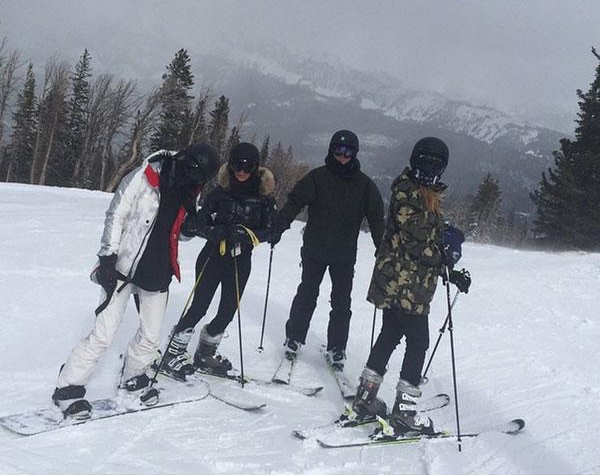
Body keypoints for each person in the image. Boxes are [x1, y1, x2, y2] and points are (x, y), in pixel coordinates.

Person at [51, 143, 220, 419]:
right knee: (103, 334)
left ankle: (133, 378)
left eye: (200, 178)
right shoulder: (145, 175)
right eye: (194, 173)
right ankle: (67, 388)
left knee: (151, 335)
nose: (196, 180)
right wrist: (107, 257)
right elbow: (116, 214)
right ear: (185, 160)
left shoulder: (191, 190)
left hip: (158, 270)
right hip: (121, 267)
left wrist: (192, 228)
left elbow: (179, 231)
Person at [350, 136, 470, 436]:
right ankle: (404, 412)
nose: (429, 168)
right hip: (405, 286)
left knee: (390, 334)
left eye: (435, 164)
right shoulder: (407, 191)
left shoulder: (420, 192)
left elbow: (427, 234)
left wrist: (449, 261)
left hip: (403, 283)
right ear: (416, 161)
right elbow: (416, 241)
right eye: (425, 162)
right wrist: (444, 255)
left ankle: (366, 398)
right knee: (418, 343)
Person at [160, 142, 277, 380]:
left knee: (227, 312)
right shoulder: (219, 193)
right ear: (230, 166)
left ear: (256, 169)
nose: (241, 171)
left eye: (247, 166)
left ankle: (205, 354)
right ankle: (173, 352)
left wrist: (246, 234)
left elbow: (273, 231)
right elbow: (195, 223)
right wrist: (215, 232)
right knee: (199, 306)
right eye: (236, 165)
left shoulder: (264, 199)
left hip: (241, 260)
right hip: (213, 256)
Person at [273, 130, 385, 371]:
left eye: (347, 152)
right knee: (307, 294)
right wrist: (278, 228)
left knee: (341, 302)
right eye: (338, 150)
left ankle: (337, 348)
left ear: (354, 154)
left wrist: (382, 249)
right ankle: (294, 337)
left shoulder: (364, 185)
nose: (342, 156)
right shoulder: (317, 178)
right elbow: (294, 202)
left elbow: (377, 218)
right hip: (314, 250)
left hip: (343, 255)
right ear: (331, 151)